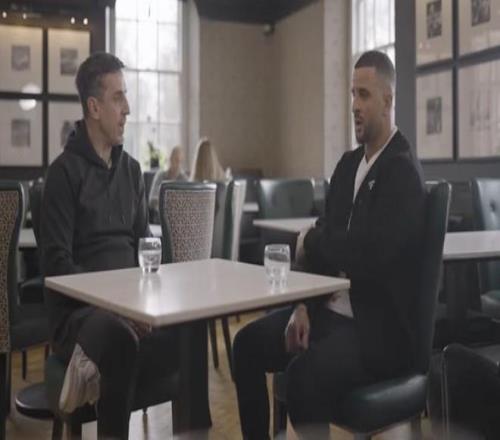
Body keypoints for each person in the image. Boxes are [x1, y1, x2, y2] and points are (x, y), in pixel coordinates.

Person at [233, 50, 426, 439]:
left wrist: (315, 239)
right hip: (326, 313)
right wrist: (303, 305)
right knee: (246, 345)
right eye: (353, 94)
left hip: (375, 332)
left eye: (364, 95)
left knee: (303, 379)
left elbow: (366, 256)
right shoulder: (347, 165)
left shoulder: (402, 171)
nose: (354, 105)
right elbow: (327, 244)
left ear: (388, 100)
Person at [41, 52, 178, 439]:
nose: (128, 109)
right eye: (118, 98)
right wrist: (116, 307)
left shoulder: (132, 170)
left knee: (188, 332)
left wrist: (147, 303)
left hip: (129, 308)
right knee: (119, 338)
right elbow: (57, 266)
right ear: (94, 107)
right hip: (79, 314)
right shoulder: (62, 174)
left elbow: (145, 247)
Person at [148, 146, 188, 221]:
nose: (178, 163)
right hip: (160, 217)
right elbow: (151, 201)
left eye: (180, 161)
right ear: (170, 159)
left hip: (178, 219)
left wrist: (164, 200)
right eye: (176, 159)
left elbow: (186, 203)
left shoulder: (184, 179)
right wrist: (172, 201)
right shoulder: (160, 176)